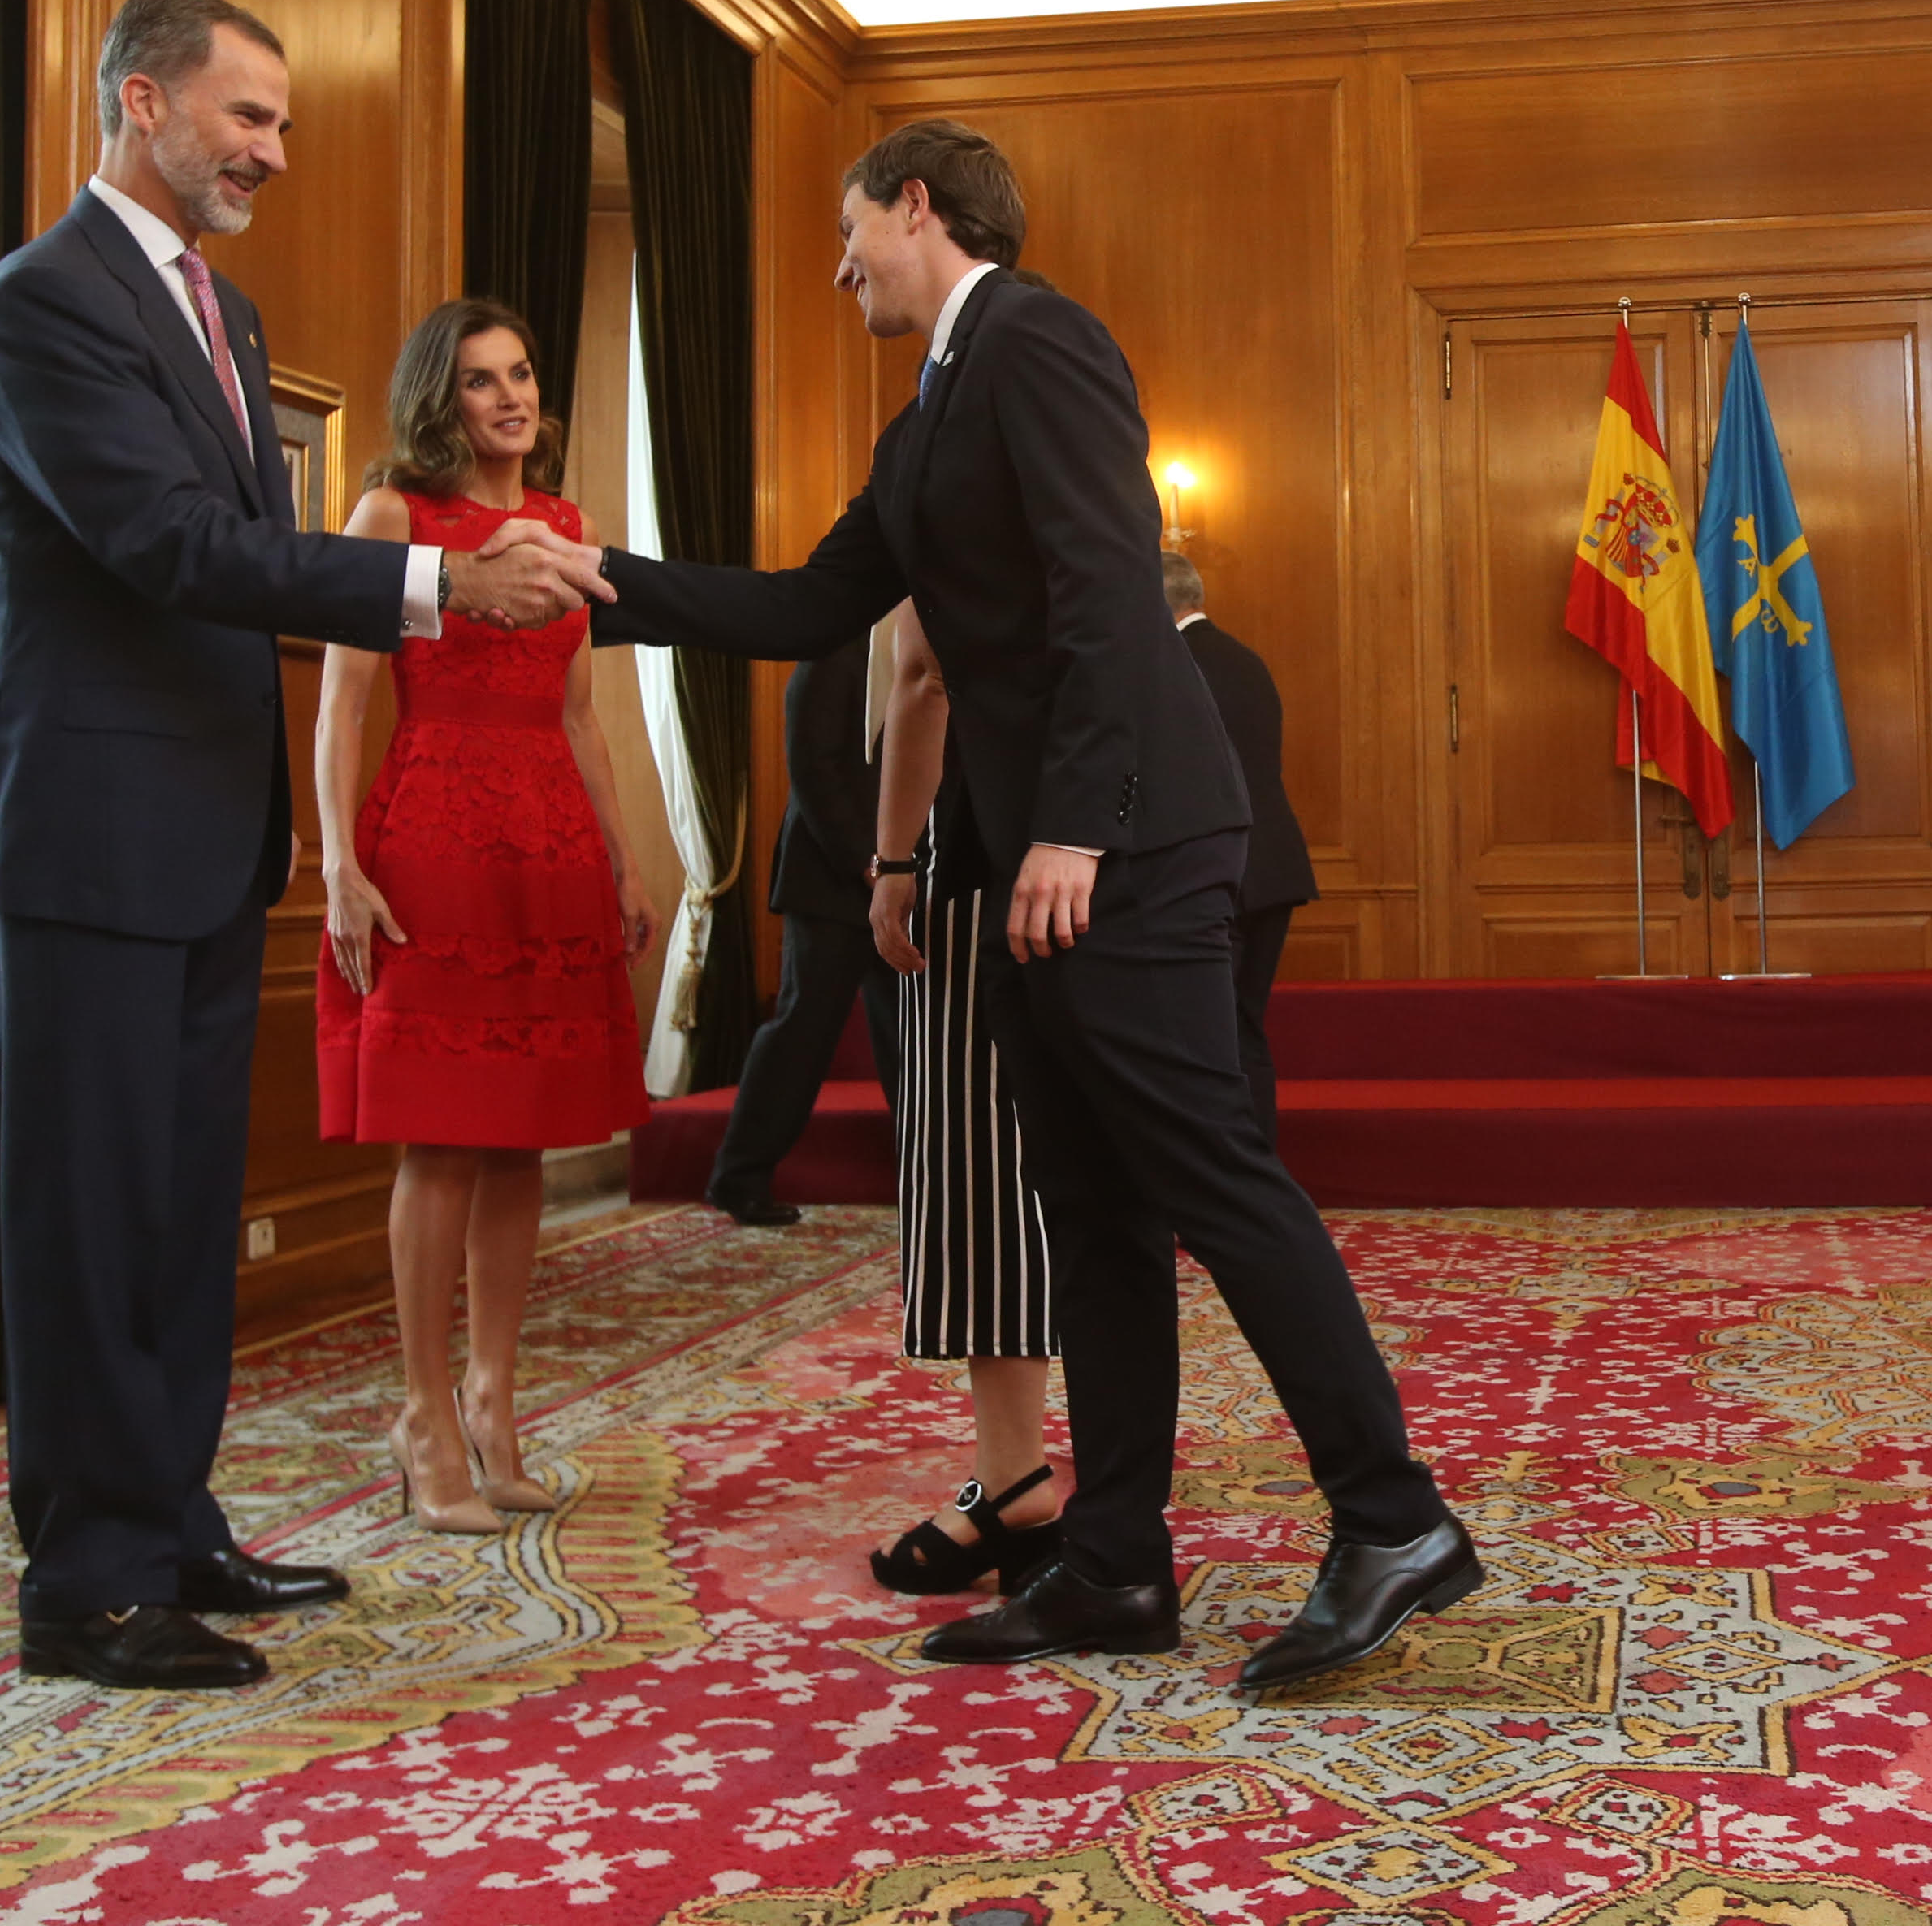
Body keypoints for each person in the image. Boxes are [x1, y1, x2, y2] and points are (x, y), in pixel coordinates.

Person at [573, 119, 1471, 1687]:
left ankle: (1390, 1518)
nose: (840, 259)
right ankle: (1117, 1561)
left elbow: (1110, 587)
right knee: (1094, 1213)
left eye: (850, 225)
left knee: (1213, 1179)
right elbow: (806, 605)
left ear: (916, 204)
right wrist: (598, 577)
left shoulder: (1038, 337)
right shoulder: (920, 421)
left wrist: (1076, 828)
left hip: (1121, 852)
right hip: (1042, 872)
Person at [0, 0, 603, 1693]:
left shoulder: (221, 316)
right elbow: (167, 547)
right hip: (79, 831)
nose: (272, 153)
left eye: (284, 125)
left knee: (173, 1210)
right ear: (142, 100)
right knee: (89, 1218)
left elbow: (235, 553)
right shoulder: (42, 306)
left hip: (195, 835)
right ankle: (86, 1588)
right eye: (249, 118)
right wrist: (434, 583)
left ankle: (170, 1527)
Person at [314, 298, 654, 1538]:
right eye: (478, 381)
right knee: (444, 1138)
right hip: (434, 833)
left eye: (519, 375)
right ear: (437, 398)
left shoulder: (570, 527)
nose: (510, 398)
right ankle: (418, 1412)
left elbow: (577, 715)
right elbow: (344, 705)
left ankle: (495, 1404)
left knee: (524, 1138)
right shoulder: (394, 516)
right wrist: (340, 864)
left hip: (548, 837)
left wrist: (619, 861)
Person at [860, 601, 1064, 1595]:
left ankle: (1014, 1475)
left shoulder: (947, 481)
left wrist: (895, 859)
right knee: (1099, 1181)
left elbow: (921, 674)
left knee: (985, 1172)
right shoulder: (1094, 481)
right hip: (1117, 858)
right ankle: (1107, 1487)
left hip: (987, 867)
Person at [703, 630, 906, 1228]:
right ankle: (738, 1178)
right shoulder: (833, 647)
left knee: (909, 1040)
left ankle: (925, 1178)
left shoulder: (925, 646)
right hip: (832, 881)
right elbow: (813, 768)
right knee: (803, 1033)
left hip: (902, 884)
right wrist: (869, 864)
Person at [1164, 551, 1319, 1140]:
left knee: (1206, 1034)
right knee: (1243, 1025)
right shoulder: (1246, 660)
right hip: (1274, 865)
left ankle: (1225, 1176)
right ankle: (1258, 1167)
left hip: (1211, 871)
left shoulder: (1173, 665)